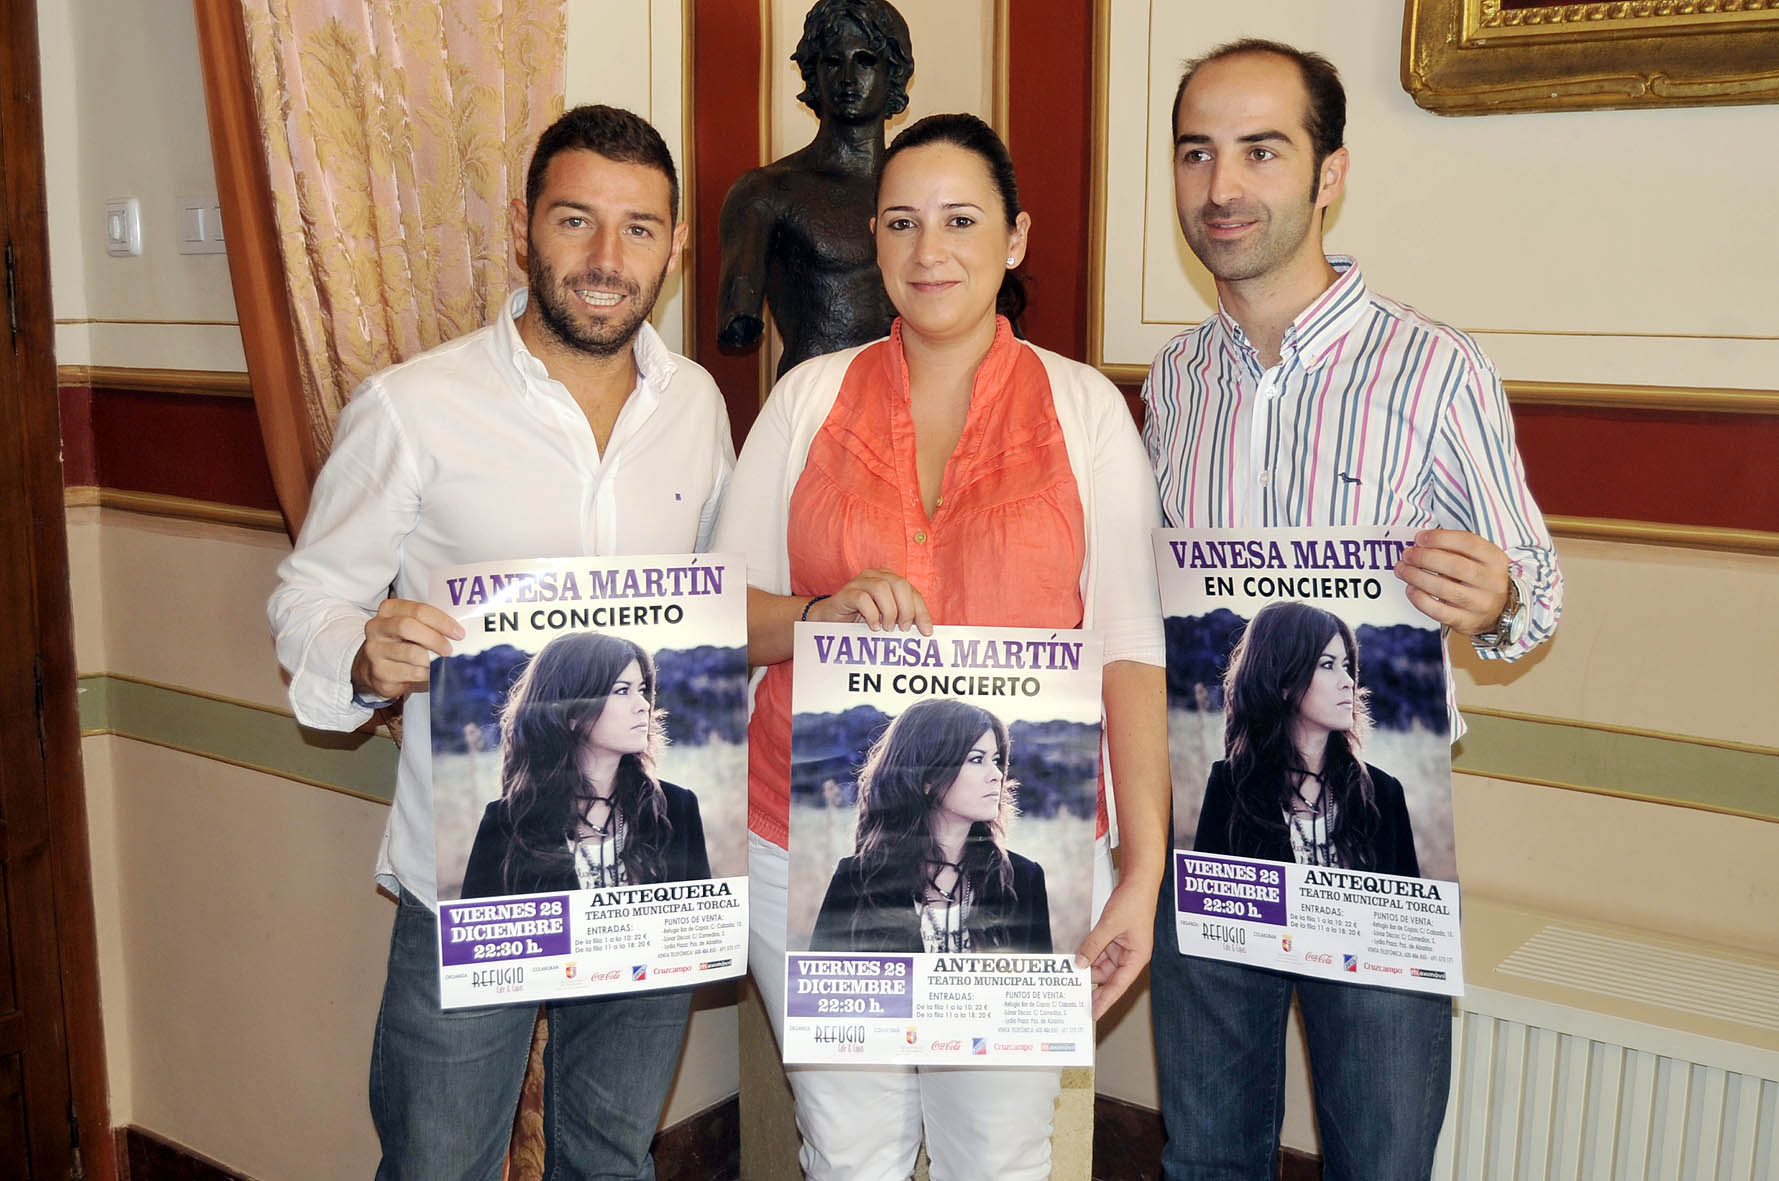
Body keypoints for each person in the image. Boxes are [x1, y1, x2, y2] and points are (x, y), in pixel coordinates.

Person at [266, 105, 733, 1180]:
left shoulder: (698, 406)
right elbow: (311, 597)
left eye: (640, 229)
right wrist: (361, 650)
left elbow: (713, 604)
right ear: (525, 226)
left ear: (674, 246)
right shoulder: (413, 407)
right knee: (438, 1162)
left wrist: (820, 616)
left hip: (647, 865)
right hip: (477, 866)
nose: (608, 260)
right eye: (578, 220)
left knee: (610, 1152)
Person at [716, 111, 1170, 1181]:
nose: (931, 252)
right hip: (816, 843)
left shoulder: (1087, 411)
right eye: (904, 223)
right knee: (850, 1149)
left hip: (1026, 857)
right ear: (873, 241)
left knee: (998, 1155)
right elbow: (723, 613)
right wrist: (816, 608)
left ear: (1015, 238)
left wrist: (1143, 867)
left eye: (961, 220)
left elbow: (1130, 647)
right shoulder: (805, 400)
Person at [1142, 40, 1563, 1180]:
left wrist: (1500, 595)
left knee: (1380, 1160)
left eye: (1261, 151)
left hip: (1377, 848)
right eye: (1197, 153)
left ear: (1329, 174)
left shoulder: (1437, 368)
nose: (1222, 186)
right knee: (1206, 1157)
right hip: (1213, 828)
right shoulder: (1174, 383)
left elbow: (1537, 598)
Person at [716, 0, 910, 376]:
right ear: (813, 73)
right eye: (833, 62)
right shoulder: (767, 192)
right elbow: (737, 320)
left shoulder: (925, 195)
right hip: (815, 406)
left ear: (894, 73)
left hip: (919, 408)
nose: (848, 78)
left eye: (866, 60)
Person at [459, 633, 710, 899]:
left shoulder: (677, 809)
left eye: (643, 689)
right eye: (622, 690)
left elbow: (701, 926)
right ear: (570, 712)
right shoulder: (506, 824)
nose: (644, 705)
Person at [1194, 602, 1418, 877]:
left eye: (1346, 665)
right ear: (1283, 681)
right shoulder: (1230, 787)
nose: (1348, 680)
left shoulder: (1383, 793)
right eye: (1327, 665)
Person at [810, 699, 1051, 954]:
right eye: (977, 759)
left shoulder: (1024, 879)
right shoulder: (856, 881)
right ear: (925, 777)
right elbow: (819, 989)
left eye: (997, 759)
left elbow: (1039, 992)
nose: (997, 774)